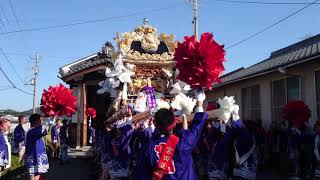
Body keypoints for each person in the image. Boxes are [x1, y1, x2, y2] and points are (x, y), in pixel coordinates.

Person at [134, 91, 217, 180]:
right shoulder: (184, 143)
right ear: (174, 124)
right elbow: (197, 125)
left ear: (155, 124)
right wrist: (199, 101)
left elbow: (142, 174)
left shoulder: (148, 147)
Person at [25, 114, 49, 180]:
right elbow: (43, 130)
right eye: (40, 120)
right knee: (33, 177)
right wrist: (48, 118)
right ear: (36, 121)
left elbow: (44, 130)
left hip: (37, 158)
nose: (41, 122)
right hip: (34, 158)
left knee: (37, 176)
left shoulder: (34, 130)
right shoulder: (32, 131)